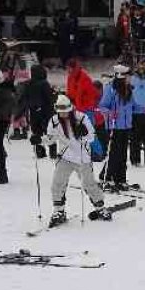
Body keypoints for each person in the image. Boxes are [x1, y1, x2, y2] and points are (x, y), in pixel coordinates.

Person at [31, 95, 111, 227]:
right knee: (57, 184)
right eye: (60, 111)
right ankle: (59, 211)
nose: (62, 113)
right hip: (65, 157)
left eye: (65, 110)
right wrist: (39, 140)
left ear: (70, 109)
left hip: (82, 158)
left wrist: (84, 133)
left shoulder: (82, 118)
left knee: (89, 184)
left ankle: (100, 208)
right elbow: (51, 139)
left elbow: (91, 137)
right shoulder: (54, 121)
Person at [99, 64, 135, 190]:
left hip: (126, 126)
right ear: (121, 77)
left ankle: (120, 178)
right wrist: (110, 113)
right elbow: (102, 106)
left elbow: (133, 105)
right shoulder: (110, 89)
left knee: (123, 153)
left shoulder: (129, 89)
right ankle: (106, 177)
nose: (130, 78)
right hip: (114, 126)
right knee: (114, 153)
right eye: (128, 76)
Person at [22, 64, 56, 159]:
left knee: (37, 131)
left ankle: (40, 152)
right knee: (49, 132)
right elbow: (49, 98)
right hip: (46, 111)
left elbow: (26, 97)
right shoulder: (44, 83)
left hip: (33, 111)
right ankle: (53, 152)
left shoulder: (28, 84)